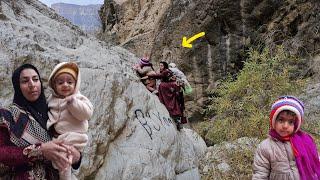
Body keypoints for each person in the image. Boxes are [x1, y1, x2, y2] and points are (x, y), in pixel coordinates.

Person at [0, 64, 81, 179]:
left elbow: (73, 145)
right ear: (17, 86)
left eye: (35, 79)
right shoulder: (8, 116)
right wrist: (39, 150)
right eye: (25, 81)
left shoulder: (55, 112)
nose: (32, 85)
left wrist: (77, 157)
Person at [252, 96, 320, 180]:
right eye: (281, 120)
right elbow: (260, 174)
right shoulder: (265, 147)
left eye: (290, 122)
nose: (285, 126)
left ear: (296, 125)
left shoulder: (306, 142)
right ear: (274, 121)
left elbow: (316, 162)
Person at [47, 62, 93, 180]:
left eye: (70, 82)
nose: (65, 85)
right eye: (60, 82)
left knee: (63, 161)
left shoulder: (78, 98)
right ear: (54, 85)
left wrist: (73, 103)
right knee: (60, 160)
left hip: (74, 137)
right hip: (60, 137)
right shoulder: (51, 99)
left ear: (76, 84)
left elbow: (87, 114)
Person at [149, 61, 186, 130]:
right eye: (159, 65)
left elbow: (159, 76)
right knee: (176, 103)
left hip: (171, 88)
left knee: (172, 103)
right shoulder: (167, 71)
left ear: (165, 66)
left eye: (162, 66)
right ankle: (178, 121)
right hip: (174, 88)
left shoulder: (166, 71)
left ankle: (177, 120)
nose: (160, 67)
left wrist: (149, 75)